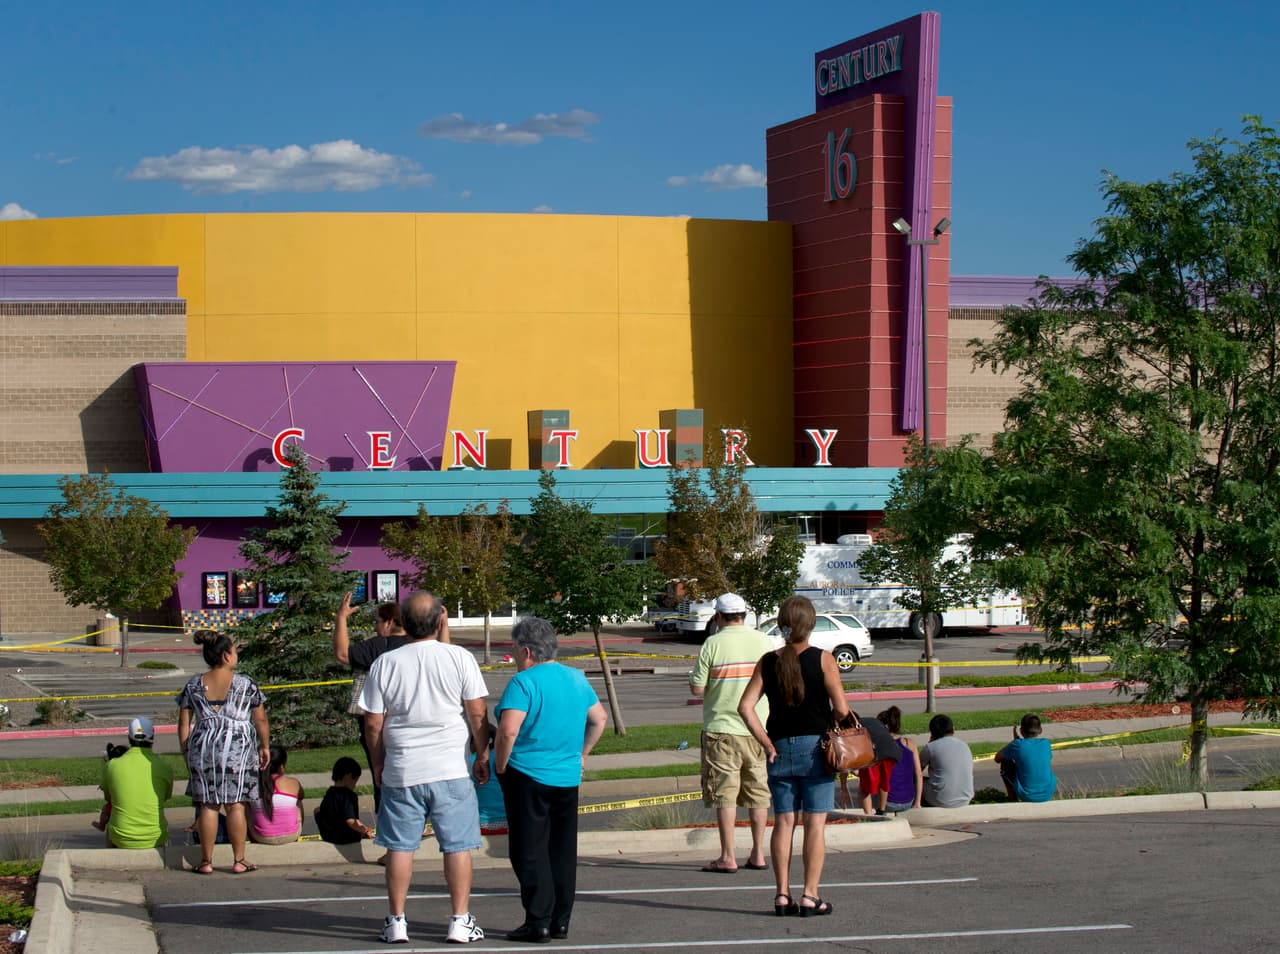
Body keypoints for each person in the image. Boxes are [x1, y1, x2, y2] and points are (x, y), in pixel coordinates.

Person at [357, 590, 489, 946]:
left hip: (402, 768)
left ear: (403, 623)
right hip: (449, 768)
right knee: (456, 846)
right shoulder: (459, 658)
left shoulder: (385, 663)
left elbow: (373, 723)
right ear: (440, 620)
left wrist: (378, 762)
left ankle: (397, 921)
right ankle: (460, 921)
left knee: (400, 847)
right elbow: (477, 713)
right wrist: (482, 754)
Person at [495, 616, 608, 943]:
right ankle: (561, 919)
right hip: (566, 775)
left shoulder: (524, 682)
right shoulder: (576, 677)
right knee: (561, 848)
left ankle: (538, 920)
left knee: (529, 850)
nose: (514, 655)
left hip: (528, 773)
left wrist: (501, 764)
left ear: (527, 650)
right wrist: (582, 755)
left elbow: (509, 729)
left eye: (515, 649)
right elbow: (598, 719)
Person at [738, 595, 850, 919]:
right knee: (815, 824)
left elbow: (745, 707)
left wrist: (766, 742)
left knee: (784, 822)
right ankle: (810, 896)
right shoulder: (824, 659)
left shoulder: (769, 661)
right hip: (817, 750)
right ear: (810, 624)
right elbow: (841, 709)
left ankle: (782, 894)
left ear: (782, 624)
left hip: (780, 750)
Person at [688, 592, 774, 873]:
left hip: (721, 729)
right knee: (758, 792)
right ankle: (758, 853)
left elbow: (697, 688)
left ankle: (727, 856)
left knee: (724, 794)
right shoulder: (764, 641)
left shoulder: (712, 643)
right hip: (758, 729)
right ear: (745, 615)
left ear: (719, 616)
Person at [178, 629, 270, 875]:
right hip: (238, 746)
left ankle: (206, 861)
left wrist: (186, 749)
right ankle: (239, 859)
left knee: (208, 805)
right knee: (235, 805)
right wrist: (265, 745)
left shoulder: (194, 684)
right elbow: (260, 719)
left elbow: (184, 722)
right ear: (227, 656)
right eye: (234, 650)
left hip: (203, 745)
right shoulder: (245, 683)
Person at [333, 594, 410, 812]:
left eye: (377, 622)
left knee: (382, 776)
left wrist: (341, 618)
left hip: (377, 722)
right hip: (409, 719)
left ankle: (387, 819)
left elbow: (341, 654)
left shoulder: (378, 646)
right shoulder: (416, 647)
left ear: (389, 622)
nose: (376, 627)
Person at [97, 717, 173, 849]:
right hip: (155, 837)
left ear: (129, 737)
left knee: (111, 824)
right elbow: (164, 798)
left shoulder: (112, 765)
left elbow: (109, 799)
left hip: (120, 838)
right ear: (153, 737)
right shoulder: (164, 767)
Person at [248, 744, 304, 844]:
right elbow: (301, 795)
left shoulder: (251, 785)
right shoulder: (294, 783)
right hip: (291, 835)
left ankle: (253, 839)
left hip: (260, 837)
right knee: (297, 801)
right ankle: (294, 835)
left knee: (246, 806)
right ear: (281, 767)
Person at [995, 713, 1057, 802]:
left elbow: (997, 758)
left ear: (1021, 730)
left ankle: (1012, 799)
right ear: (1040, 730)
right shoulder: (1046, 743)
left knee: (1006, 762)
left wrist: (1014, 742)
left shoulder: (1017, 744)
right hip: (1048, 792)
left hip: (1027, 795)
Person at [918, 714, 974, 808]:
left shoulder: (931, 747)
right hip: (966, 799)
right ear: (953, 729)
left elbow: (917, 770)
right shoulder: (964, 745)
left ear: (932, 733)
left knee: (917, 781)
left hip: (940, 800)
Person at [852, 709, 902, 816]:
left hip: (874, 755)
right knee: (884, 783)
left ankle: (869, 815)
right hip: (892, 752)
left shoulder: (852, 729)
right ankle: (882, 810)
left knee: (864, 789)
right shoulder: (873, 721)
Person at [315, 756, 375, 844]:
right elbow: (351, 820)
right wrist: (364, 830)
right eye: (355, 781)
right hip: (345, 838)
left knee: (317, 810)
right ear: (349, 776)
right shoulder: (349, 796)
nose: (355, 785)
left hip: (327, 836)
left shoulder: (330, 792)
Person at [877, 706, 922, 813]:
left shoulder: (880, 746)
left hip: (888, 802)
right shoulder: (910, 743)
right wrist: (917, 802)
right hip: (908, 801)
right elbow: (918, 774)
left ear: (885, 727)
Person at [92, 743, 129, 834]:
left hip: (115, 805)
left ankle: (101, 825)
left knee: (105, 808)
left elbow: (107, 797)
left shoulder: (109, 769)